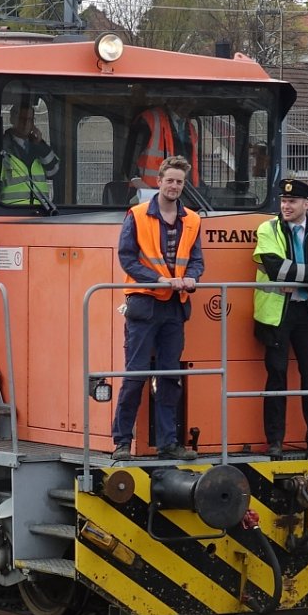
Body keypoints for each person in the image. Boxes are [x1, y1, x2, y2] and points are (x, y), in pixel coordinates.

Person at [111, 155, 203, 462]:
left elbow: (197, 259)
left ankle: (168, 443)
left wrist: (192, 277)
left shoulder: (192, 219)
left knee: (169, 376)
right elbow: (127, 258)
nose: (174, 186)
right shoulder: (137, 215)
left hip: (175, 307)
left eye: (179, 182)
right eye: (170, 180)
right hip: (144, 305)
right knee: (135, 375)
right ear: (159, 181)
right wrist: (160, 280)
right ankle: (122, 442)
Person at [252, 176, 308, 458]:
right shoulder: (268, 228)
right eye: (283, 201)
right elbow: (276, 268)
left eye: (292, 201)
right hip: (276, 313)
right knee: (277, 374)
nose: (285, 206)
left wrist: (302, 276)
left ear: (307, 204)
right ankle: (275, 440)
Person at [122, 101, 200, 194]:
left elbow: (192, 166)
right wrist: (144, 189)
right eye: (188, 98)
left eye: (193, 100)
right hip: (150, 194)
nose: (192, 102)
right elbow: (129, 161)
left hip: (187, 195)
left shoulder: (191, 129)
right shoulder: (149, 120)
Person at [0, 98, 60, 206]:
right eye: (22, 119)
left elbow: (54, 171)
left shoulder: (39, 147)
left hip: (41, 210)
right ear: (12, 119)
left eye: (30, 119)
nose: (26, 123)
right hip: (10, 211)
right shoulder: (2, 148)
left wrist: (40, 144)